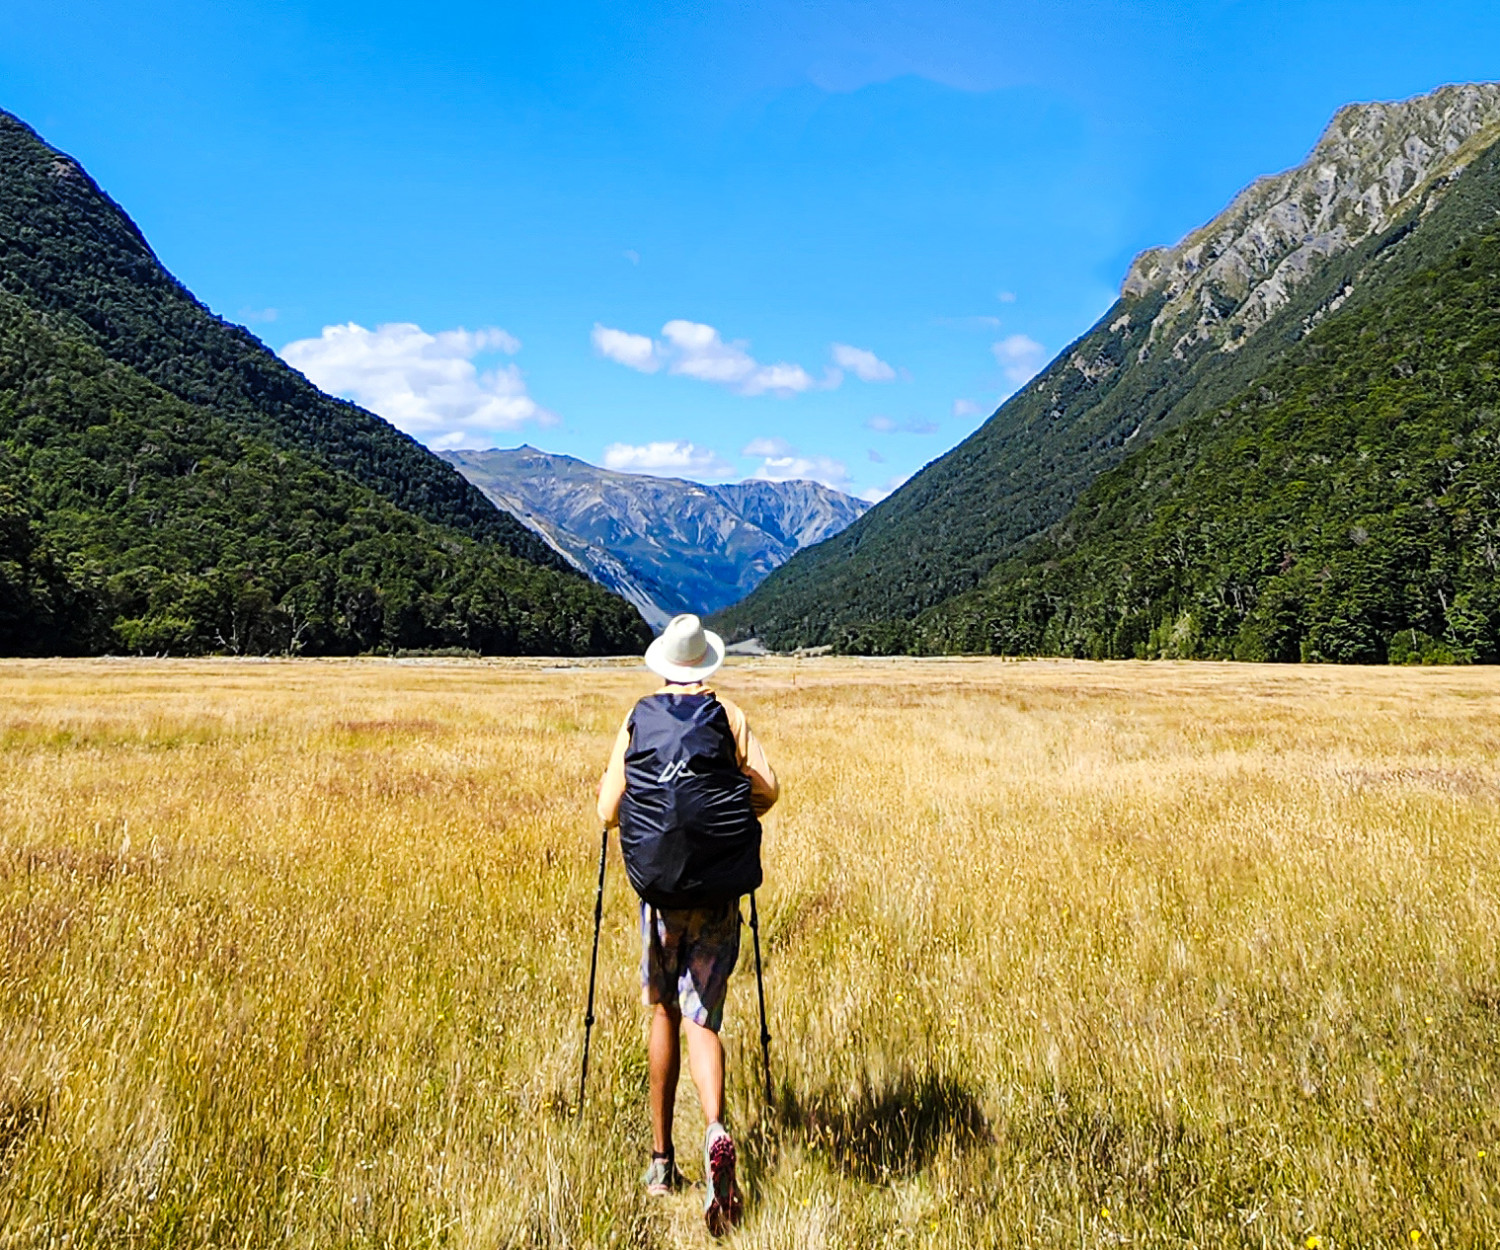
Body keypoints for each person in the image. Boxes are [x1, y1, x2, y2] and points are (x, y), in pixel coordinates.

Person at [597, 613, 778, 1235]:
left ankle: (660, 1162)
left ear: (664, 666)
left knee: (664, 1014)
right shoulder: (728, 717)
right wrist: (729, 799)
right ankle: (715, 1130)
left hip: (659, 894)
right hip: (718, 891)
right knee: (704, 1016)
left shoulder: (637, 718)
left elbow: (606, 809)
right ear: (706, 665)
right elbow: (771, 790)